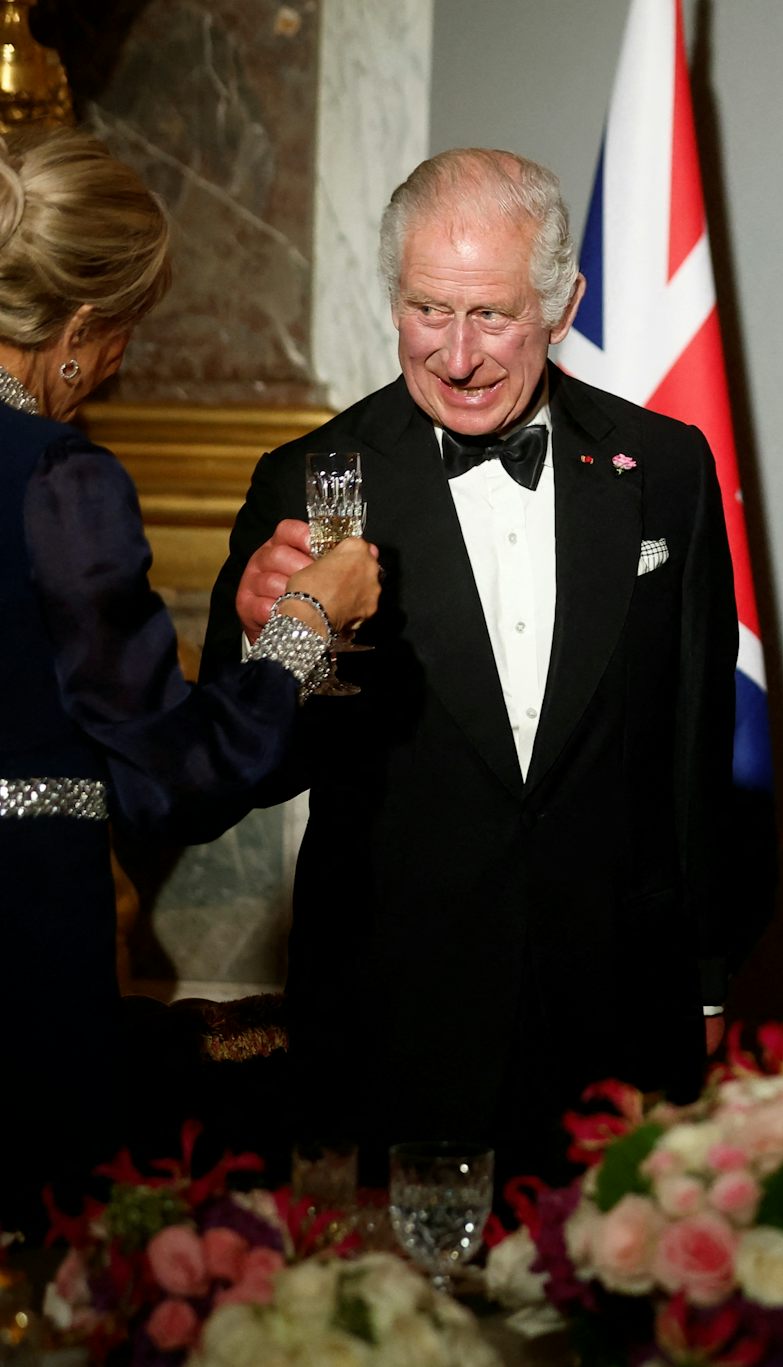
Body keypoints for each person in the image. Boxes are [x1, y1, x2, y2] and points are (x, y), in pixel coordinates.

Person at [200, 149, 741, 1179]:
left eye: (491, 314)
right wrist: (273, 640)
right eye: (428, 311)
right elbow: (242, 769)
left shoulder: (666, 467)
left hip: (615, 1014)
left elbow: (694, 744)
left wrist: (705, 978)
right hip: (392, 1016)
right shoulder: (311, 479)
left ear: (563, 305)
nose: (456, 356)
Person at [0, 129, 380, 1234]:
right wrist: (305, 624)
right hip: (19, 940)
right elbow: (171, 775)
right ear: (79, 330)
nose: (122, 362)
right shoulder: (59, 480)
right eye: (126, 331)